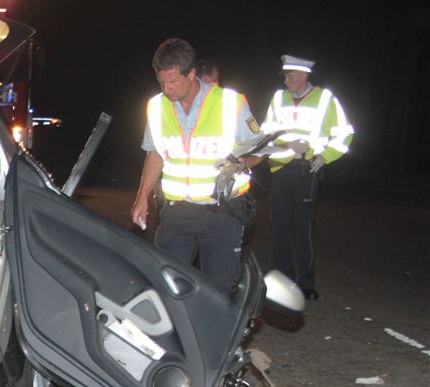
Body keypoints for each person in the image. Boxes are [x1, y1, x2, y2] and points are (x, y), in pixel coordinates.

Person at [131, 38, 262, 292]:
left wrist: (244, 161)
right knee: (167, 289)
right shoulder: (156, 107)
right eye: (161, 81)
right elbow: (155, 153)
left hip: (222, 214)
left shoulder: (230, 103)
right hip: (176, 215)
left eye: (173, 82)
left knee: (220, 291)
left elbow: (259, 149)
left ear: (191, 74)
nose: (166, 89)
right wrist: (142, 197)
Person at [261, 55, 353, 300]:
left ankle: (306, 283)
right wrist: (284, 141)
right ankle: (282, 282)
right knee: (279, 227)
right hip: (280, 169)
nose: (286, 80)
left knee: (302, 228)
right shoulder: (278, 98)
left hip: (306, 171)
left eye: (290, 76)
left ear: (303, 76)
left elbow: (344, 133)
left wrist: (322, 155)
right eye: (285, 76)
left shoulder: (325, 99)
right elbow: (265, 131)